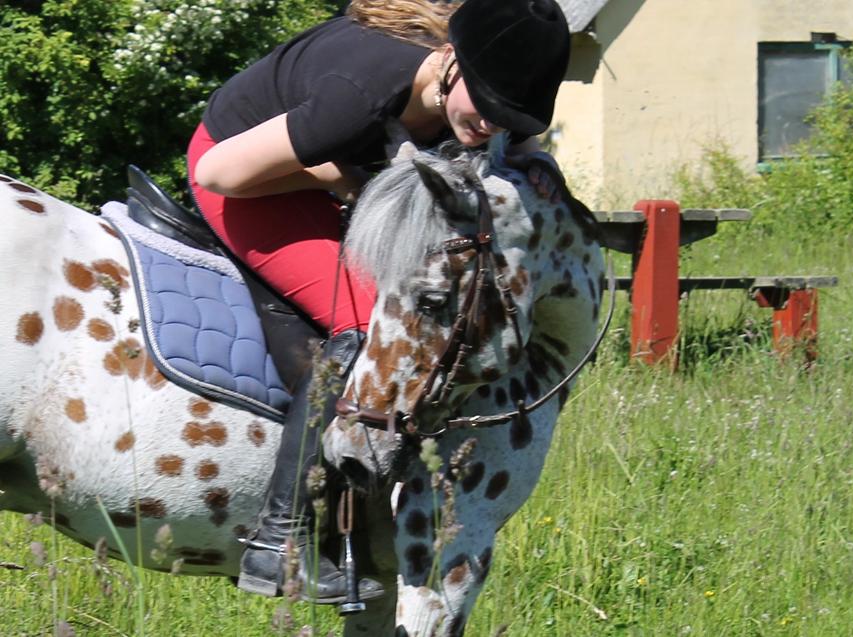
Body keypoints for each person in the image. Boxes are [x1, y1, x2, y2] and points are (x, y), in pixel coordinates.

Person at [187, 0, 571, 604]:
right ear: (449, 61)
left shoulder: (483, 96)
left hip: (340, 173)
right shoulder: (359, 96)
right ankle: (279, 541)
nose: (493, 126)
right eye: (489, 107)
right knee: (374, 328)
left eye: (510, 116)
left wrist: (538, 166)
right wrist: (353, 176)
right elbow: (219, 173)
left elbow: (512, 154)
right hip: (251, 178)